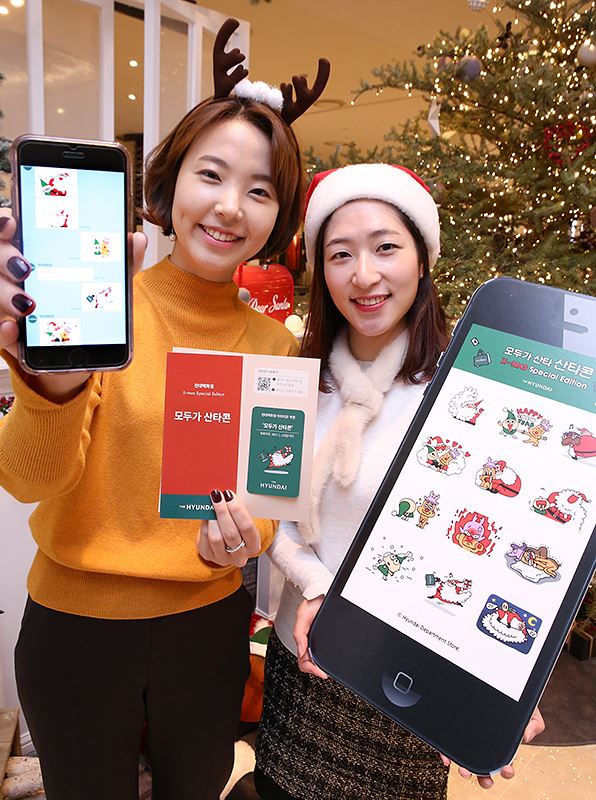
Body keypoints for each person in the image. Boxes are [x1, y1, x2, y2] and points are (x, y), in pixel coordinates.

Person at [0, 19, 329, 800]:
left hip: (206, 631)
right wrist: (53, 387)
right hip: (75, 629)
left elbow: (265, 502)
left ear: (279, 215)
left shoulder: (275, 345)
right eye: (211, 174)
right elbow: (27, 481)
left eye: (259, 190)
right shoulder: (97, 309)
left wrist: (243, 540)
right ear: (171, 180)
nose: (230, 207)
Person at [254, 163, 545, 800]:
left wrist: (501, 680)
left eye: (385, 247)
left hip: (410, 677)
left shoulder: (466, 394)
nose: (364, 275)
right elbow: (271, 512)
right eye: (340, 254)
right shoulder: (295, 380)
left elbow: (493, 538)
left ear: (422, 258)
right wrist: (318, 587)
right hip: (304, 665)